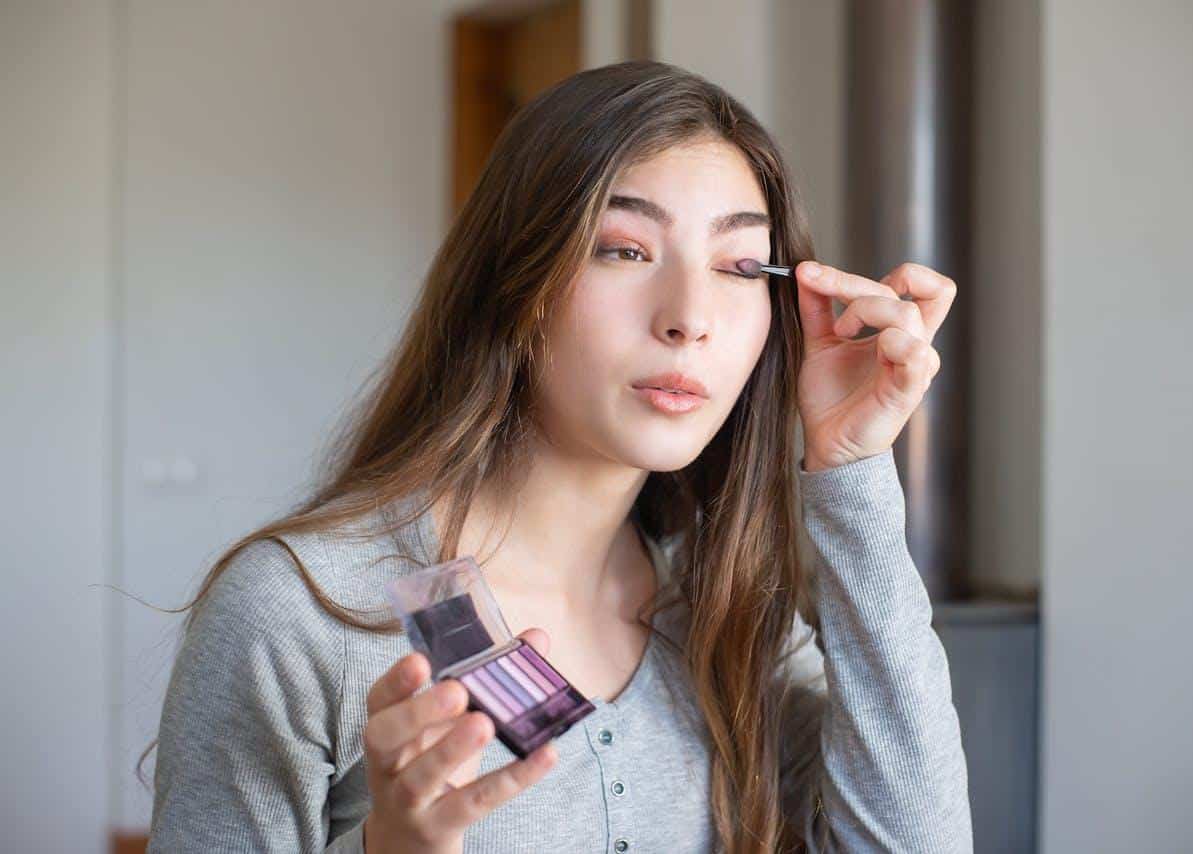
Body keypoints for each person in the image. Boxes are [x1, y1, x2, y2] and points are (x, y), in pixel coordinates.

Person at [146, 60, 970, 853]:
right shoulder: (299, 611)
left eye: (738, 266)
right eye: (624, 249)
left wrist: (851, 469)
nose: (689, 317)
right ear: (518, 283)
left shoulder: (727, 618)